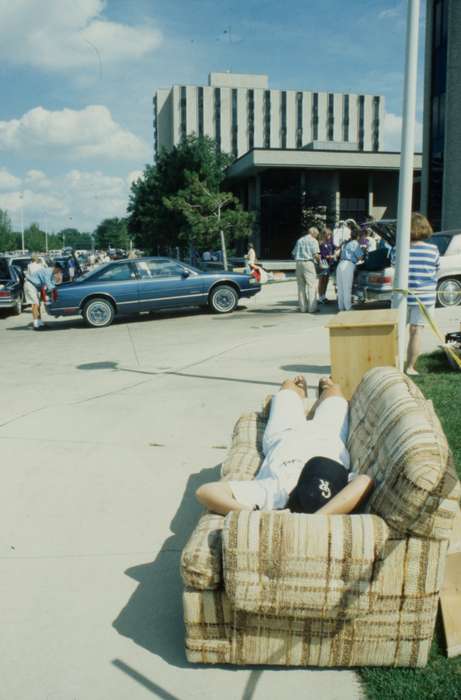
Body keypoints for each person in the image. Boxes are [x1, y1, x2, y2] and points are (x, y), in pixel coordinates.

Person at [196, 376, 373, 515]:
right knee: (334, 389)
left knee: (288, 386)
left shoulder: (274, 494)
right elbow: (364, 481)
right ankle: (324, 393)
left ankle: (299, 392)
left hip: (285, 434)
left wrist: (253, 514)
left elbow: (205, 492)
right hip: (328, 434)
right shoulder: (328, 498)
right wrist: (319, 517)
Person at [393, 212, 440, 375]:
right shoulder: (433, 249)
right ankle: (410, 367)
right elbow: (435, 269)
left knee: (396, 331)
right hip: (425, 296)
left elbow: (394, 266)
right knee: (417, 331)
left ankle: (393, 364)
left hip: (403, 296)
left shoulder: (399, 249)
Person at [24, 263, 63, 330]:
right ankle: (36, 324)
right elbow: (49, 285)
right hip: (30, 284)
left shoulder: (51, 273)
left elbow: (52, 283)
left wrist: (58, 281)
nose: (59, 272)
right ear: (55, 268)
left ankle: (40, 323)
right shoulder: (48, 271)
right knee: (35, 304)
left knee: (38, 304)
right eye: (59, 270)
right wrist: (55, 289)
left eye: (60, 271)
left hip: (35, 286)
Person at [336, 224, 364, 311]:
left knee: (340, 288)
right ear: (358, 236)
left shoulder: (347, 243)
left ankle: (341, 307)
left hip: (340, 265)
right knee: (347, 287)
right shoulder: (355, 243)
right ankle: (348, 307)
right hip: (348, 265)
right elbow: (360, 257)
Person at [292, 227, 320, 313]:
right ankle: (312, 308)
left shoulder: (300, 240)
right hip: (308, 263)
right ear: (314, 234)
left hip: (299, 263)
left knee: (301, 287)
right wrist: (319, 262)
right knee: (311, 286)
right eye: (317, 235)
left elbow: (293, 253)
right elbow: (315, 254)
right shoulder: (313, 241)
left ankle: (302, 308)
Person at [318, 228, 336, 303]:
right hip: (323, 262)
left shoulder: (330, 243)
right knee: (322, 280)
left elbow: (335, 249)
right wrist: (330, 256)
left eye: (330, 234)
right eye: (328, 234)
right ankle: (321, 296)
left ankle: (324, 296)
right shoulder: (321, 243)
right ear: (324, 235)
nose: (329, 236)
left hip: (329, 263)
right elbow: (321, 255)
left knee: (326, 280)